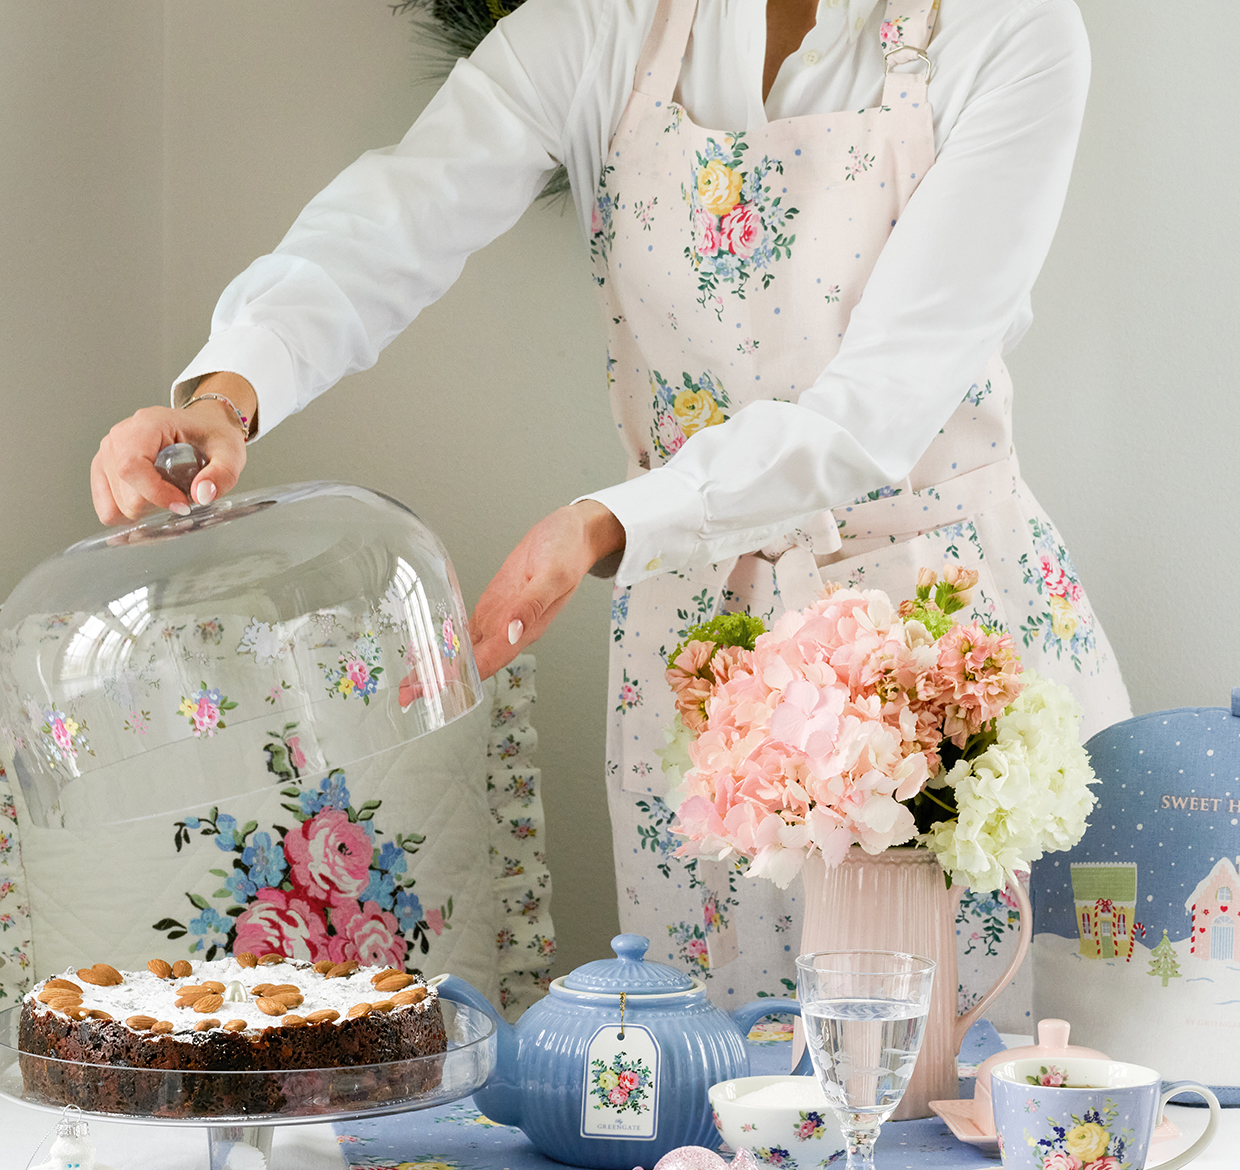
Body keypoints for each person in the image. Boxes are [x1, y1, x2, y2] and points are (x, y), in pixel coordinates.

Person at [90, 0, 1130, 1006]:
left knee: (964, 1085)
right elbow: (393, 218)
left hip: (936, 638)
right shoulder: (600, 27)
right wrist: (228, 393)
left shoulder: (1010, 29)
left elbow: (877, 407)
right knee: (715, 1090)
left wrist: (610, 521)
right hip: (704, 645)